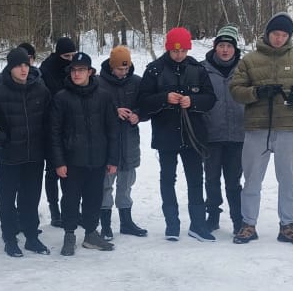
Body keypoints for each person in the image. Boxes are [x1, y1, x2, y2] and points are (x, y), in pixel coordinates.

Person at [229, 12, 293, 246]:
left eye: (283, 35)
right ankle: (248, 224)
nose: (279, 38)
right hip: (257, 127)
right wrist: (256, 93)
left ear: (288, 36)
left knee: (288, 179)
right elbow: (235, 89)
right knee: (252, 180)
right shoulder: (249, 60)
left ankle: (287, 225)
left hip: (289, 127)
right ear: (268, 34)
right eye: (275, 34)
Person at [137, 28, 216, 241]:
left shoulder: (197, 69)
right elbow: (142, 103)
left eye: (182, 51)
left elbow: (210, 99)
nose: (179, 55)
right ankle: (172, 225)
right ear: (168, 49)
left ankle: (198, 225)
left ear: (188, 49)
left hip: (193, 135)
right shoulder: (154, 70)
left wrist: (194, 101)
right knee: (167, 180)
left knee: (195, 180)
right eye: (174, 51)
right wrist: (163, 98)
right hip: (166, 135)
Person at [0, 46, 52, 256]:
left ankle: (31, 237)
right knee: (7, 200)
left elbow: (50, 121)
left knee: (31, 199)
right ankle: (9, 239)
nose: (23, 69)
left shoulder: (41, 90)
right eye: (18, 65)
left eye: (26, 65)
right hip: (9, 156)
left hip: (34, 156)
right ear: (10, 67)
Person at [49, 52, 120, 255]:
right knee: (70, 199)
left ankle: (91, 234)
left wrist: (113, 158)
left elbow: (112, 129)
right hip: (72, 161)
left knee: (94, 198)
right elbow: (54, 133)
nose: (77, 73)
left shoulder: (104, 96)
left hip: (97, 160)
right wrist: (59, 162)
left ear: (90, 72)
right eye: (73, 69)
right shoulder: (61, 98)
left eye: (81, 70)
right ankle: (69, 235)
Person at [97, 44, 147, 239]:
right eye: (119, 68)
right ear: (111, 66)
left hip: (129, 143)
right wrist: (113, 112)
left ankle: (126, 222)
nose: (123, 72)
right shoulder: (98, 83)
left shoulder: (137, 82)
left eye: (126, 68)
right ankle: (106, 225)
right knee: (105, 186)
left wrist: (138, 115)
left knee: (126, 185)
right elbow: (91, 111)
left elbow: (146, 105)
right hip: (107, 145)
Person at [202, 25, 246, 234]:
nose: (225, 50)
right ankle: (212, 215)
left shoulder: (245, 69)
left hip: (238, 135)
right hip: (212, 134)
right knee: (211, 178)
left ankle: (238, 219)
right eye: (221, 46)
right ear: (215, 47)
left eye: (229, 46)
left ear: (235, 49)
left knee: (233, 180)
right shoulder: (203, 69)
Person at [38, 35, 77, 227]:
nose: (69, 59)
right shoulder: (46, 70)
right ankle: (54, 210)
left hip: (71, 127)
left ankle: (70, 207)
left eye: (73, 55)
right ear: (59, 54)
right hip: (50, 125)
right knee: (53, 171)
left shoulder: (75, 68)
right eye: (66, 55)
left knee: (71, 171)